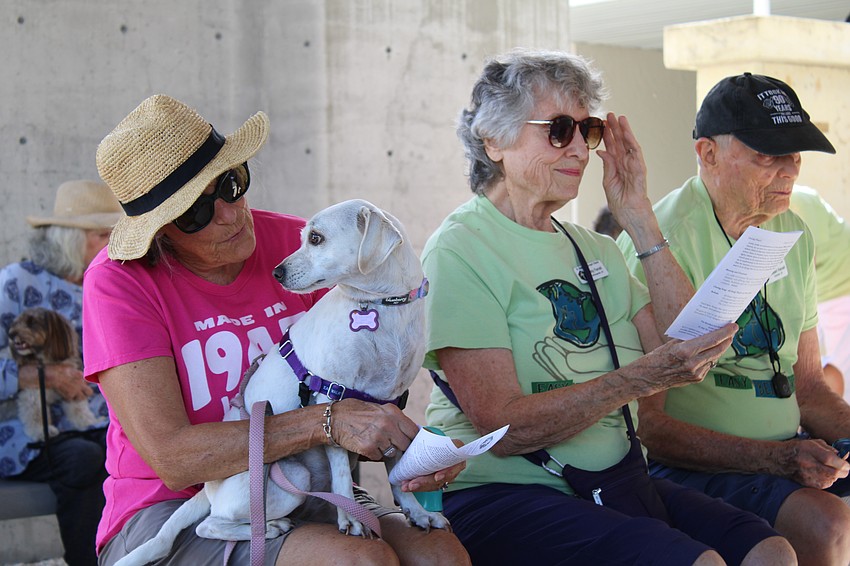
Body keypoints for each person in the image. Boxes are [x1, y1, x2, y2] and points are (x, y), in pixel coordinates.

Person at [421, 49, 794, 565]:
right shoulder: (461, 247)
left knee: (770, 551)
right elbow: (501, 428)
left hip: (615, 482)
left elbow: (689, 346)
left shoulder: (594, 247)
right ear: (494, 141)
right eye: (558, 130)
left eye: (588, 130)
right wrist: (635, 381)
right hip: (503, 491)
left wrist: (638, 216)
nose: (580, 148)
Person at [83, 94, 470, 566]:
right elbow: (174, 460)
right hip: (170, 506)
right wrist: (326, 422)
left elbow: (358, 405)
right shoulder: (120, 282)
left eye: (231, 184)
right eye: (194, 213)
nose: (229, 214)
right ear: (159, 230)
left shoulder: (301, 247)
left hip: (309, 485)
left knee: (440, 555)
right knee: (357, 562)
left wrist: (413, 451)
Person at [618, 72, 850, 565]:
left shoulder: (794, 231)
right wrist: (778, 459)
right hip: (689, 469)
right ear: (707, 153)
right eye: (768, 155)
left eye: (795, 152)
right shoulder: (661, 241)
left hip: (786, 452)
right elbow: (647, 424)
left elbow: (808, 387)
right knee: (826, 522)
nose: (790, 169)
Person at [0, 179, 122, 566]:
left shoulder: (116, 282)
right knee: (85, 458)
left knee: (134, 448)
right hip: (29, 431)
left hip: (100, 422)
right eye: (101, 235)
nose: (111, 245)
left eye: (114, 234)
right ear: (67, 240)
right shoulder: (17, 283)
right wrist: (43, 376)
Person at [790, 186, 850, 400]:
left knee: (835, 376)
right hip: (824, 296)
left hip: (843, 290)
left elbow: (806, 270)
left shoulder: (797, 202)